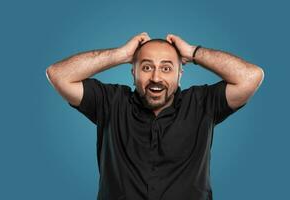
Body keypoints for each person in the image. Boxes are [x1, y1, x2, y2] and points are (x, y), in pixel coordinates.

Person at [46, 32, 264, 200]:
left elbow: (251, 77)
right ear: (133, 72)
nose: (156, 77)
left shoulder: (201, 103)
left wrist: (192, 53)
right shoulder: (111, 102)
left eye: (167, 68)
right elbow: (58, 75)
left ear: (180, 74)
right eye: (147, 67)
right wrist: (121, 54)